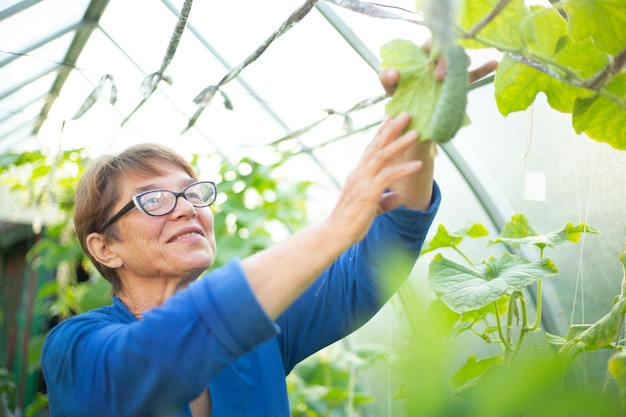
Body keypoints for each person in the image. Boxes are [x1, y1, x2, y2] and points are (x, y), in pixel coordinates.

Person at [41, 61, 497, 417]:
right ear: (105, 247)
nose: (186, 206)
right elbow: (151, 362)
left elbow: (378, 257)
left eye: (192, 192)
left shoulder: (261, 334)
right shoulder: (75, 347)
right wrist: (335, 226)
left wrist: (416, 124)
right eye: (154, 199)